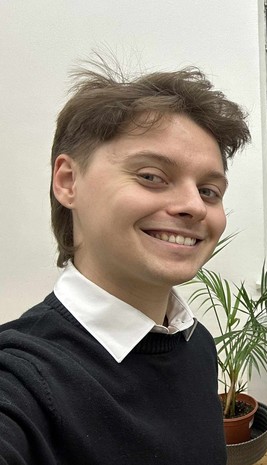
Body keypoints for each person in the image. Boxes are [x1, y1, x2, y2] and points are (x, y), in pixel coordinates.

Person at [0, 61, 250, 464]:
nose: (193, 205)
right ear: (68, 181)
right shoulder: (21, 381)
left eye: (209, 190)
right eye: (151, 176)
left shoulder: (197, 345)